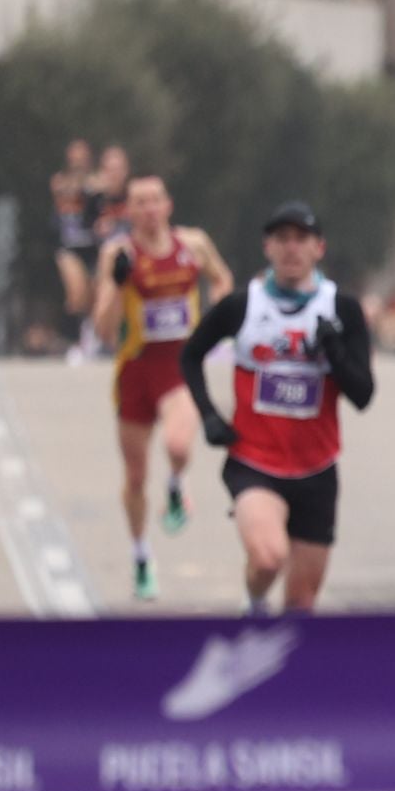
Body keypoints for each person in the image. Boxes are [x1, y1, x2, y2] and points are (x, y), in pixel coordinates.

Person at [180, 202, 376, 616]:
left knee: (301, 605)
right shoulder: (241, 306)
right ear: (267, 248)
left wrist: (334, 351)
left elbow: (363, 395)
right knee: (269, 558)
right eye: (281, 240)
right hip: (255, 461)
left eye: (301, 240)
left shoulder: (342, 310)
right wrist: (210, 416)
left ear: (318, 248)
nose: (291, 249)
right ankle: (252, 604)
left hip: (317, 468)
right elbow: (190, 355)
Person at [93, 175, 235, 600]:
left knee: (178, 446)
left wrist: (213, 324)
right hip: (135, 372)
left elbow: (223, 280)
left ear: (168, 206)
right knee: (135, 476)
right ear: (129, 212)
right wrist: (119, 285)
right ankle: (141, 557)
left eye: (155, 200)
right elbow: (103, 329)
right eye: (140, 203)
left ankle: (176, 487)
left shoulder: (193, 244)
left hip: (178, 368)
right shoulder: (118, 254)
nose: (149, 209)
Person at [51, 139, 97, 340]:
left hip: (92, 244)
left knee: (95, 293)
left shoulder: (96, 182)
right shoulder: (59, 182)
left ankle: (91, 334)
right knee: (76, 294)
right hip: (69, 245)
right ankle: (73, 336)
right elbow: (63, 190)